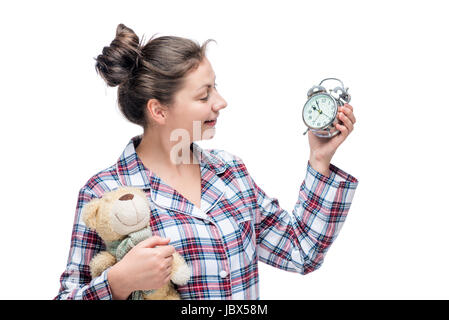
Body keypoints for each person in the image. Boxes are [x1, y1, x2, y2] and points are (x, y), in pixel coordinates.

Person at [55, 23, 359, 300]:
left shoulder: (230, 173)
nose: (221, 102)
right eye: (204, 96)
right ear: (159, 111)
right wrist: (117, 283)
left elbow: (301, 251)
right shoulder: (104, 193)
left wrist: (320, 158)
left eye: (215, 87)